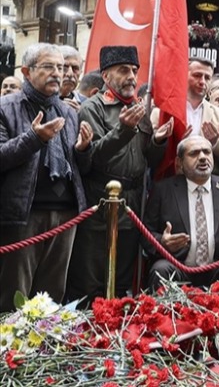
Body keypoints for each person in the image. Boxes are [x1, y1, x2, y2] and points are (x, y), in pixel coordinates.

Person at [66, 45, 174, 305]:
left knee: (122, 278)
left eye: (135, 71)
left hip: (133, 204)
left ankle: (116, 332)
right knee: (92, 279)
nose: (132, 78)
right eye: (124, 70)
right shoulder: (93, 108)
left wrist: (158, 142)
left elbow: (147, 158)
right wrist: (123, 130)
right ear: (105, 76)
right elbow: (91, 159)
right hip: (101, 202)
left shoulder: (138, 107)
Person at [0, 43, 93, 312]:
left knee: (51, 299)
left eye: (62, 67)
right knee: (14, 296)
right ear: (27, 72)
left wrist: (84, 150)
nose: (58, 73)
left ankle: (46, 351)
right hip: (23, 215)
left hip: (66, 216)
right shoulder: (6, 108)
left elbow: (80, 168)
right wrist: (34, 138)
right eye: (49, 66)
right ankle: (10, 353)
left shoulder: (68, 112)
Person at [142, 136, 219, 290]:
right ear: (179, 163)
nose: (202, 157)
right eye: (194, 154)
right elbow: (146, 234)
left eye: (207, 152)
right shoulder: (163, 190)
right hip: (178, 267)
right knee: (161, 269)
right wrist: (162, 242)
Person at [152, 56, 219, 159]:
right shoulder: (161, 112)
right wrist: (173, 144)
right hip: (172, 173)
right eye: (197, 75)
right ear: (184, 76)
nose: (202, 81)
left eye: (207, 78)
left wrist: (215, 143)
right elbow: (151, 155)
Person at [58, 45, 84, 112]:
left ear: (81, 72)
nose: (70, 74)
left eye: (75, 68)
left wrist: (83, 114)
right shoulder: (39, 101)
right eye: (64, 67)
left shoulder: (87, 104)